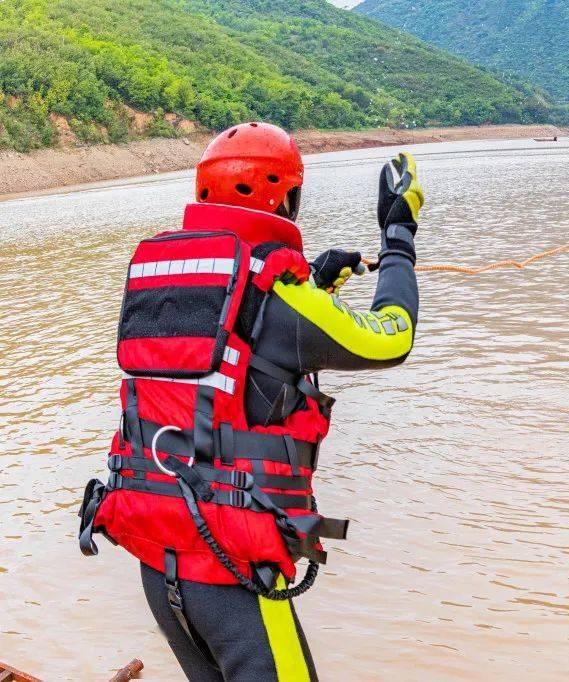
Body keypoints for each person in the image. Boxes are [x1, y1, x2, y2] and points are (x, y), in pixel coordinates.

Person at [77, 122, 423, 681]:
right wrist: (399, 238)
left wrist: (315, 280)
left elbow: (236, 340)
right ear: (288, 198)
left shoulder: (167, 276)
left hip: (160, 562)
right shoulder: (277, 289)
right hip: (235, 573)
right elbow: (391, 337)